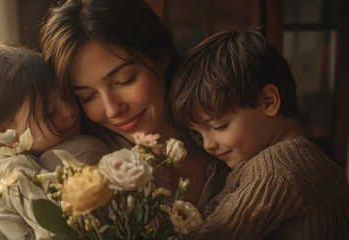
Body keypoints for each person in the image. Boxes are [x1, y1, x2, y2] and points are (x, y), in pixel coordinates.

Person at [40, 0, 230, 211]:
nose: (112, 109)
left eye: (125, 80)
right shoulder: (81, 163)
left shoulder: (231, 142)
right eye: (87, 97)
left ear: (161, 55)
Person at [169, 28, 349, 239]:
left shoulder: (274, 174)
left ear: (268, 102)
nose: (208, 144)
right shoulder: (325, 167)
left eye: (219, 126)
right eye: (199, 135)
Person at [0, 44, 110, 239]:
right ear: (4, 134)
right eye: (51, 112)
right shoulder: (14, 174)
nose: (70, 111)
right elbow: (57, 229)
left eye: (67, 96)